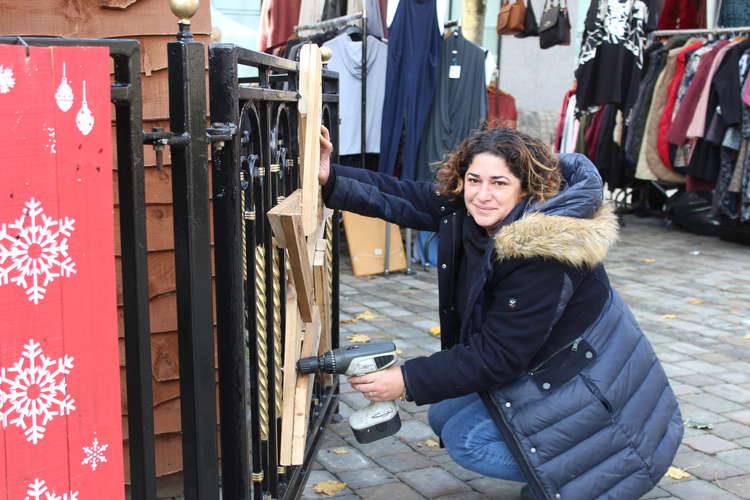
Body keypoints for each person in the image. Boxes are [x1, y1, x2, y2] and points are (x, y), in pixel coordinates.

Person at [318, 126, 683, 500]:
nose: (482, 195)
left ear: (525, 187)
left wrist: (406, 380)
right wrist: (331, 175)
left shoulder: (542, 252)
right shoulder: (470, 209)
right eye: (474, 180)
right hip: (544, 366)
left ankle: (578, 478)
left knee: (467, 442)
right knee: (444, 412)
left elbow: (499, 355)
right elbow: (403, 197)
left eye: (499, 183)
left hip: (588, 390)